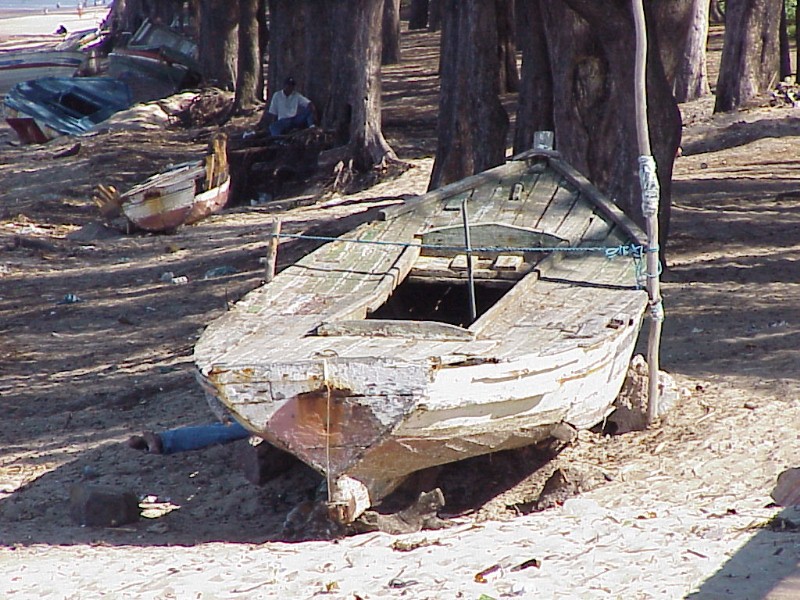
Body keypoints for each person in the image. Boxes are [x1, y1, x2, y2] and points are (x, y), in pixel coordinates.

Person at [127, 421, 250, 455]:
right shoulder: (152, 447)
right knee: (218, 434)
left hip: (179, 436)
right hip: (184, 441)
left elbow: (148, 434)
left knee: (215, 429)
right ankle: (247, 428)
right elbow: (154, 445)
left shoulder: (149, 441)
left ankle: (242, 425)